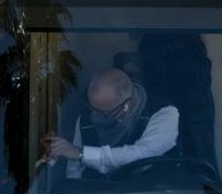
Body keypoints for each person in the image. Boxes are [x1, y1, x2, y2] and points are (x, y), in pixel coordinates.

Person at [44, 68, 179, 177]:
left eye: (104, 112)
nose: (95, 115)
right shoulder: (85, 119)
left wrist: (82, 154)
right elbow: (74, 171)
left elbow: (143, 154)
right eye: (93, 108)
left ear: (127, 105)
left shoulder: (164, 113)